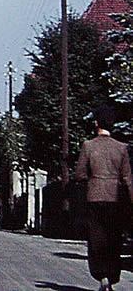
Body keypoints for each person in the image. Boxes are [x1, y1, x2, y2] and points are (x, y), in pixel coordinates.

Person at [75, 104, 133, 291]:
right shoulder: (122, 148)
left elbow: (80, 175)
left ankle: (103, 278)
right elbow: (127, 178)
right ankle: (112, 276)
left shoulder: (88, 146)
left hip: (94, 197)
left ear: (97, 122)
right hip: (115, 200)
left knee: (97, 239)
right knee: (114, 239)